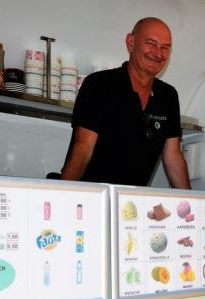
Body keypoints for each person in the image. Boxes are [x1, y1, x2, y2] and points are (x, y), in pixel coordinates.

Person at [60, 17, 191, 188]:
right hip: (92, 196)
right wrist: (62, 194)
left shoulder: (168, 96)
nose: (158, 53)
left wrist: (192, 207)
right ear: (131, 42)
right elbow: (82, 149)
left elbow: (173, 157)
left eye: (165, 47)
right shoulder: (99, 85)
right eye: (151, 43)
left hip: (133, 203)